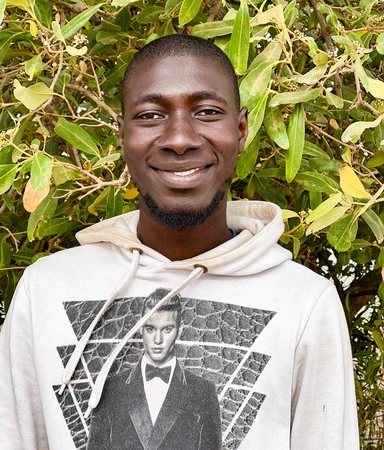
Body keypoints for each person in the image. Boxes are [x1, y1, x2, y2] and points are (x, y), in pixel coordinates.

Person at [0, 34, 359, 450]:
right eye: (151, 115)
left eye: (207, 112)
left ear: (240, 130)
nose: (180, 139)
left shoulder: (306, 302)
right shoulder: (44, 289)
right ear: (122, 135)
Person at [86, 288, 222, 450]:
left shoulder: (204, 392)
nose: (158, 340)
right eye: (150, 329)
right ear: (140, 328)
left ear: (180, 329)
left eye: (167, 329)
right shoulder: (110, 388)